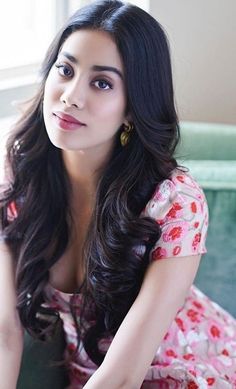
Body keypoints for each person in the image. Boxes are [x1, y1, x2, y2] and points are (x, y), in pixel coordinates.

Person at [0, 0, 235, 388]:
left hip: (186, 372)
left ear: (132, 108)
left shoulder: (174, 200)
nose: (71, 95)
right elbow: (5, 331)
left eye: (102, 83)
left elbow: (123, 376)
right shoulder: (18, 178)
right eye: (66, 69)